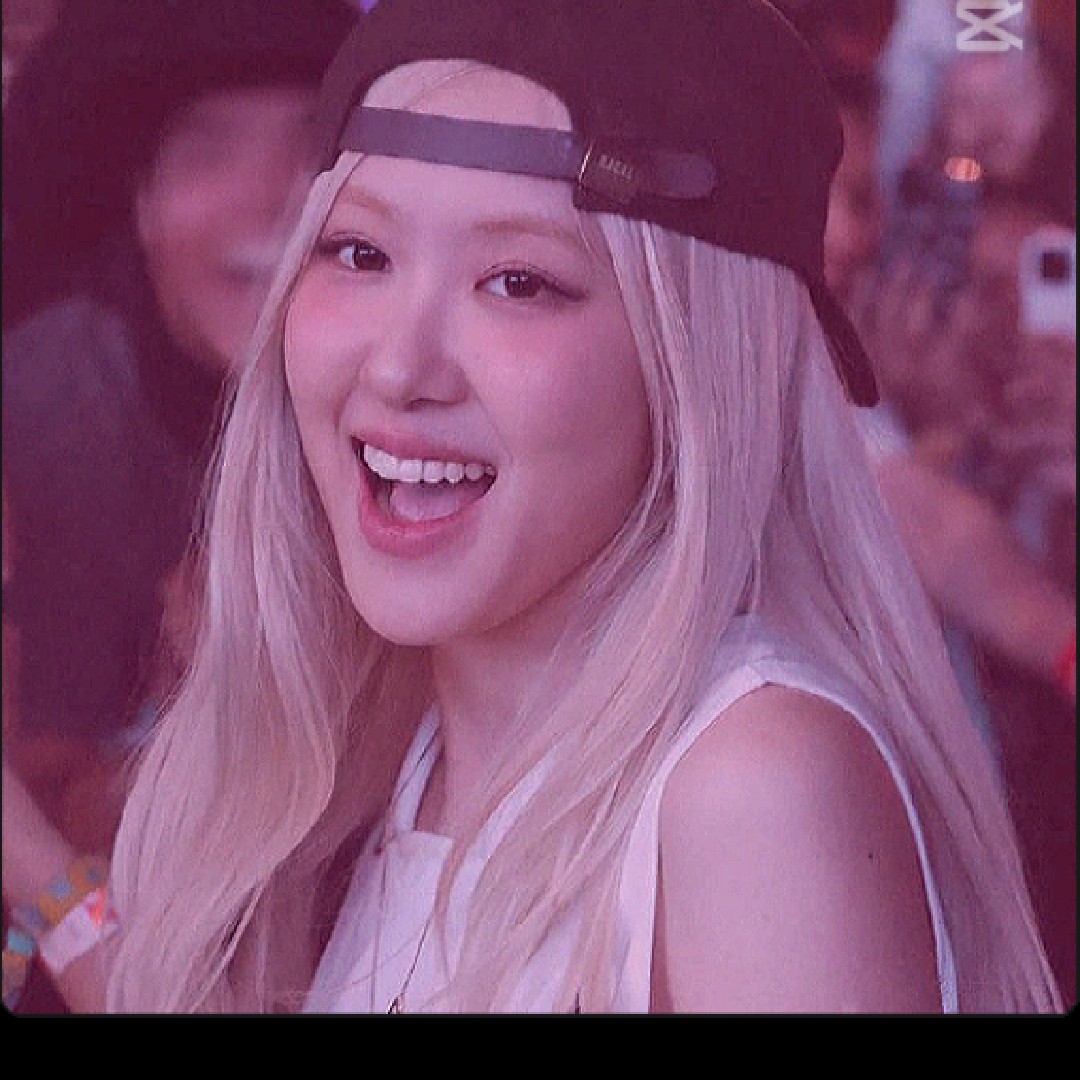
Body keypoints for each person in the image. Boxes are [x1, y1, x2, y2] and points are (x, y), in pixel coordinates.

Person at [20, 0, 1062, 1014]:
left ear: (690, 362)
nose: (399, 366)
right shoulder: (414, 755)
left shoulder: (747, 787)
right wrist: (36, 871)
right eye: (360, 254)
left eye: (518, 281)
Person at [1, 0, 357, 1014]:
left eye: (309, 148)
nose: (268, 198)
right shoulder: (55, 419)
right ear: (143, 206)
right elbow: (57, 823)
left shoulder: (404, 417)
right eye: (209, 152)